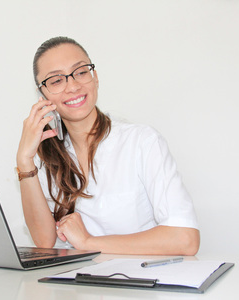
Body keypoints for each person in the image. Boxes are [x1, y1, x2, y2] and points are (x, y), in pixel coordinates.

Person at [16, 36, 200, 255]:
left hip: (140, 282)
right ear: (43, 96)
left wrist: (88, 243)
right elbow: (44, 243)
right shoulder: (45, 157)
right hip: (75, 284)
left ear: (95, 78)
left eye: (81, 72)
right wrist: (24, 160)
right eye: (56, 80)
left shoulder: (142, 142)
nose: (73, 86)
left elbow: (185, 239)